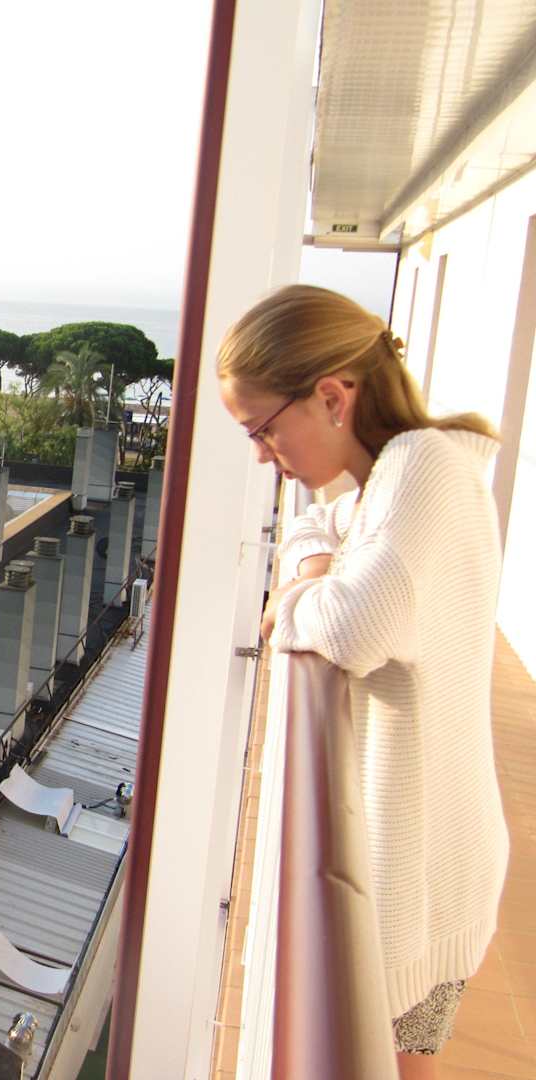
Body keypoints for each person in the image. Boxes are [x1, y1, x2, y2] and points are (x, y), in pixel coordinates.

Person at [217, 284, 509, 1078]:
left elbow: (353, 628)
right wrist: (315, 563)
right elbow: (320, 523)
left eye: (262, 428)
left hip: (426, 873)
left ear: (332, 397)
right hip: (426, 857)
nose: (260, 453)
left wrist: (296, 599)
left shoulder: (425, 468)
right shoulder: (391, 476)